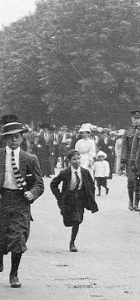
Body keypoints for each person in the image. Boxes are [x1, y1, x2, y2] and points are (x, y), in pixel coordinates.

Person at [0, 122, 45, 288]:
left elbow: (39, 184)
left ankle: (14, 274)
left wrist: (32, 193)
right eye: (10, 137)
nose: (14, 140)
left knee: (18, 238)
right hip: (2, 199)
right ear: (5, 139)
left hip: (21, 202)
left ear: (21, 138)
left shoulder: (30, 159)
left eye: (17, 137)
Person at [51, 149, 98, 252]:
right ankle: (70, 221)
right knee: (68, 220)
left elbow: (91, 185)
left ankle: (72, 242)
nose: (77, 161)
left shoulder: (85, 172)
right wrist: (59, 197)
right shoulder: (65, 172)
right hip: (68, 199)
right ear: (69, 161)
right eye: (74, 159)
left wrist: (91, 197)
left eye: (78, 159)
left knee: (77, 220)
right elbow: (53, 184)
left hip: (80, 199)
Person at [124, 110, 140, 211]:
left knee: (139, 182)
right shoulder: (127, 132)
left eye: (138, 118)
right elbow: (124, 147)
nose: (136, 120)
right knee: (131, 181)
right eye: (134, 118)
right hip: (130, 160)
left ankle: (137, 203)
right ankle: (131, 201)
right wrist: (123, 161)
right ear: (131, 119)